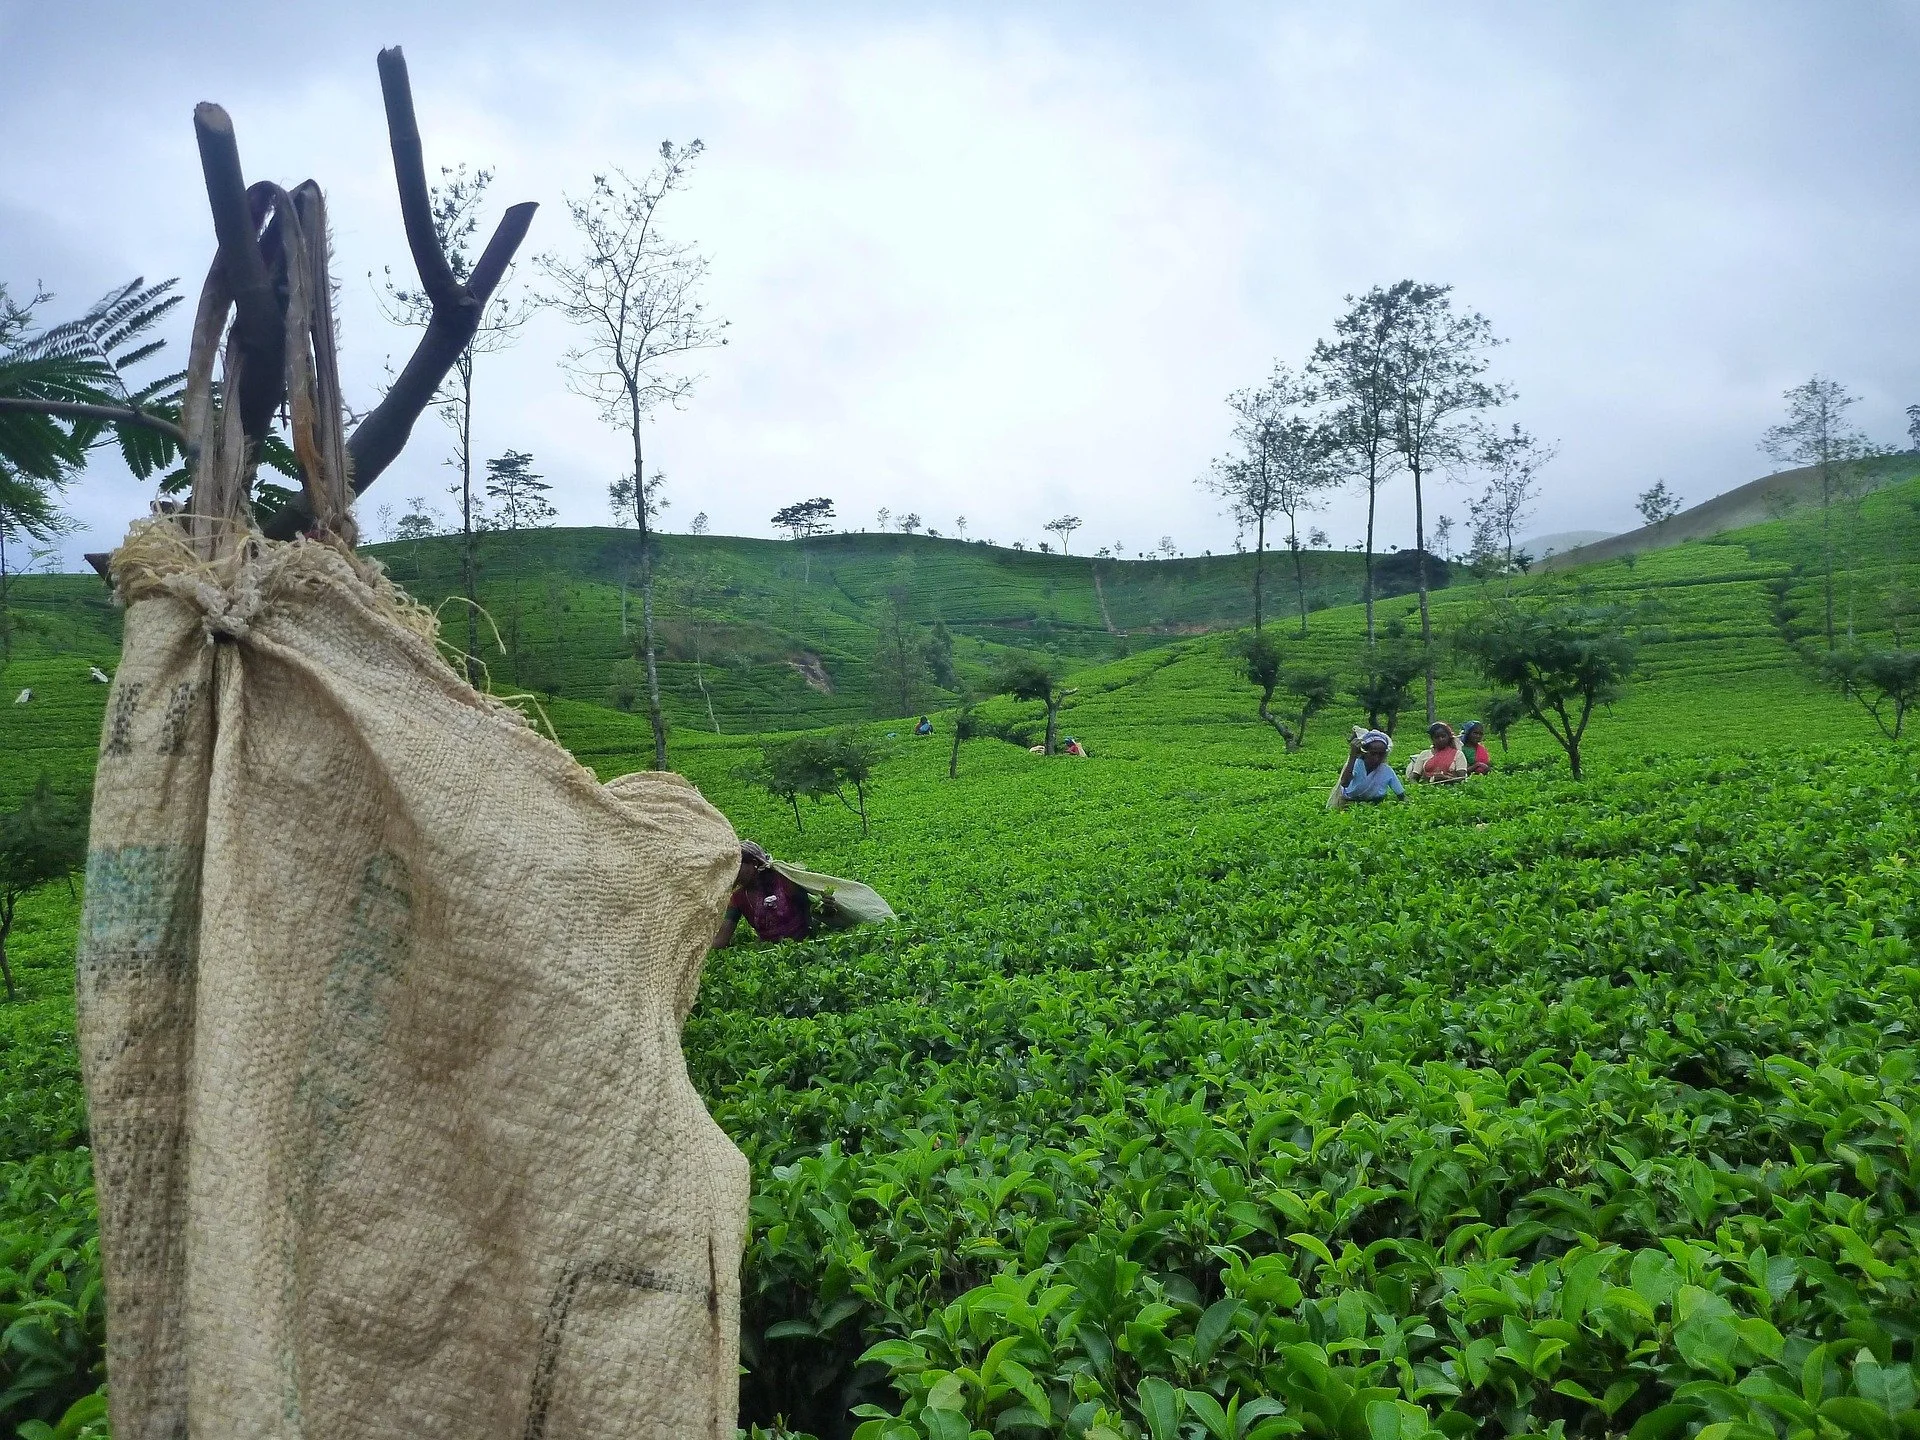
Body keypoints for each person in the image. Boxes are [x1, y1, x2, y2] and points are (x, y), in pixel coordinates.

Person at [712, 841, 811, 948]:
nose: (733, 874)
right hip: (772, 953)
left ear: (754, 863)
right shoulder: (738, 898)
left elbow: (812, 912)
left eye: (736, 867)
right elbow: (721, 940)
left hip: (803, 946)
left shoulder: (784, 882)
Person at [1332, 729, 1405, 807]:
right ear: (1365, 752)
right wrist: (1353, 755)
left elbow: (1401, 795)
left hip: (1375, 805)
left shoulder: (1386, 770)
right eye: (1373, 754)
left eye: (1381, 754)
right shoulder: (1356, 764)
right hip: (1349, 804)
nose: (1376, 758)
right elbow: (1344, 783)